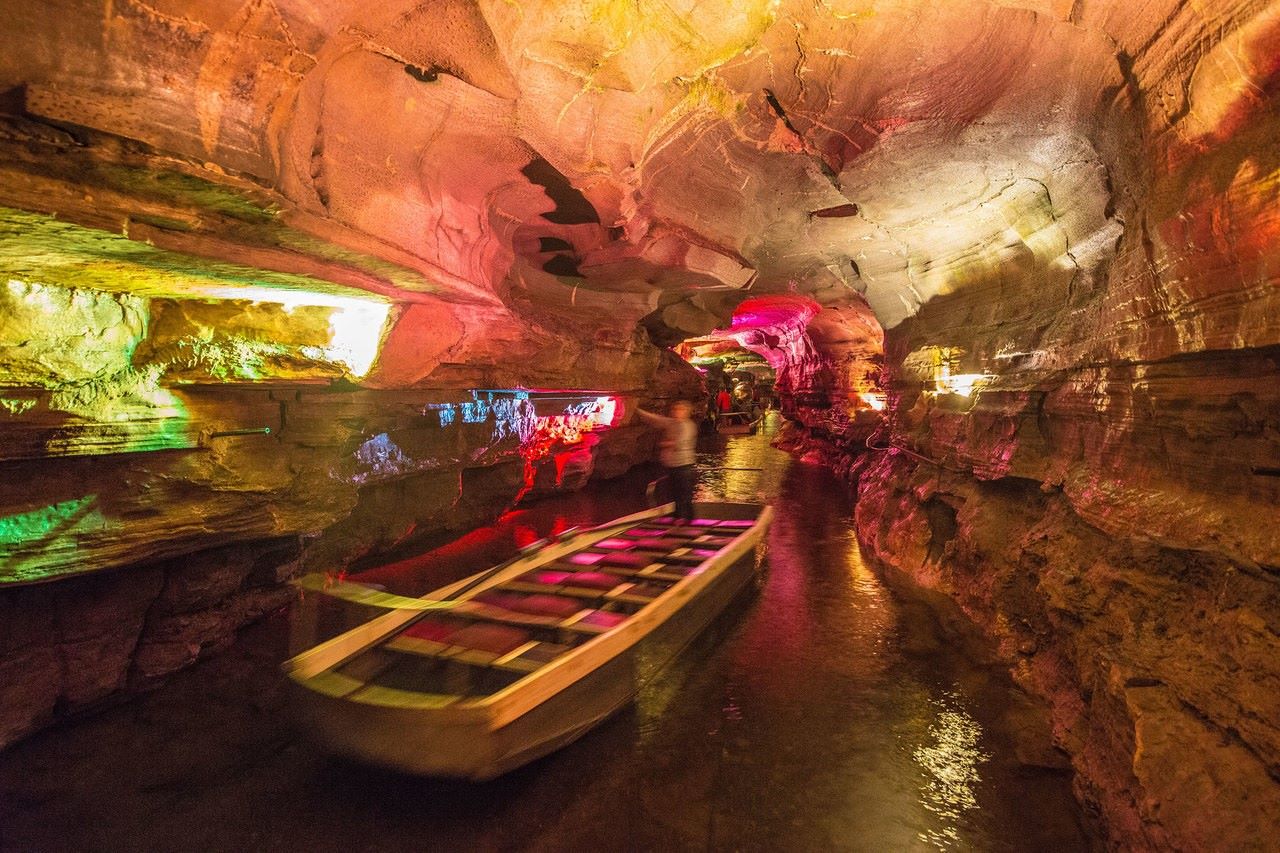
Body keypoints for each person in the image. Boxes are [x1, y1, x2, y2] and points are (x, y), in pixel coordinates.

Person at [636, 401, 698, 523]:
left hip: (684, 465)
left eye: (680, 410)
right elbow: (655, 419)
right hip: (672, 465)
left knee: (684, 494)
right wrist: (637, 410)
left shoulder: (687, 426)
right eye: (675, 409)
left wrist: (664, 443)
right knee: (675, 493)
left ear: (686, 412)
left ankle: (688, 519)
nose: (676, 412)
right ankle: (677, 518)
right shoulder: (672, 423)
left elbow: (680, 442)